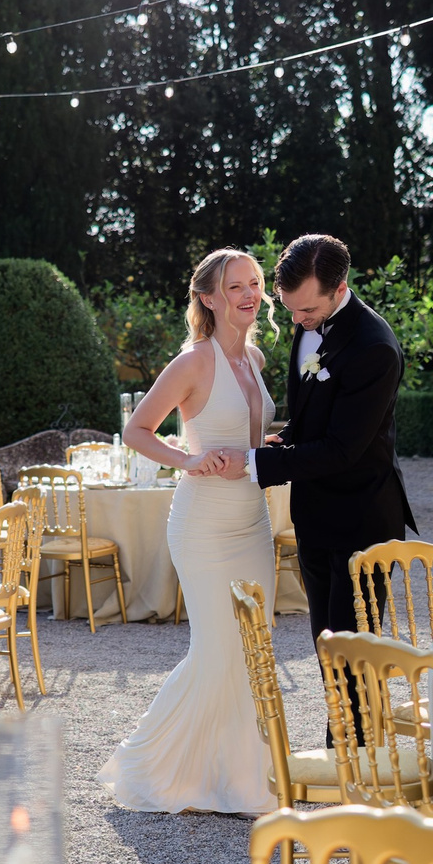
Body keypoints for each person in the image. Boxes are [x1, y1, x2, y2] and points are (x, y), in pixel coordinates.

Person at [99, 248, 279, 815]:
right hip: (203, 525)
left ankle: (242, 777)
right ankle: (147, 764)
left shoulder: (254, 357)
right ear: (207, 297)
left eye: (255, 283)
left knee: (256, 647)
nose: (250, 294)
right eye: (235, 287)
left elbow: (250, 438)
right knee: (217, 649)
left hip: (253, 521)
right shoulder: (194, 362)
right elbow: (136, 430)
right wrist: (185, 460)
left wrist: (270, 447)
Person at [248, 233, 416, 693]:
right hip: (316, 515)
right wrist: (280, 440)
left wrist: (253, 463)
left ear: (340, 289)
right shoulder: (307, 325)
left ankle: (357, 762)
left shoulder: (373, 347)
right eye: (291, 310)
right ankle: (340, 757)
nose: (299, 321)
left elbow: (343, 449)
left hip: (362, 522)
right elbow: (314, 422)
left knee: (353, 662)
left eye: (308, 311)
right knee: (328, 653)